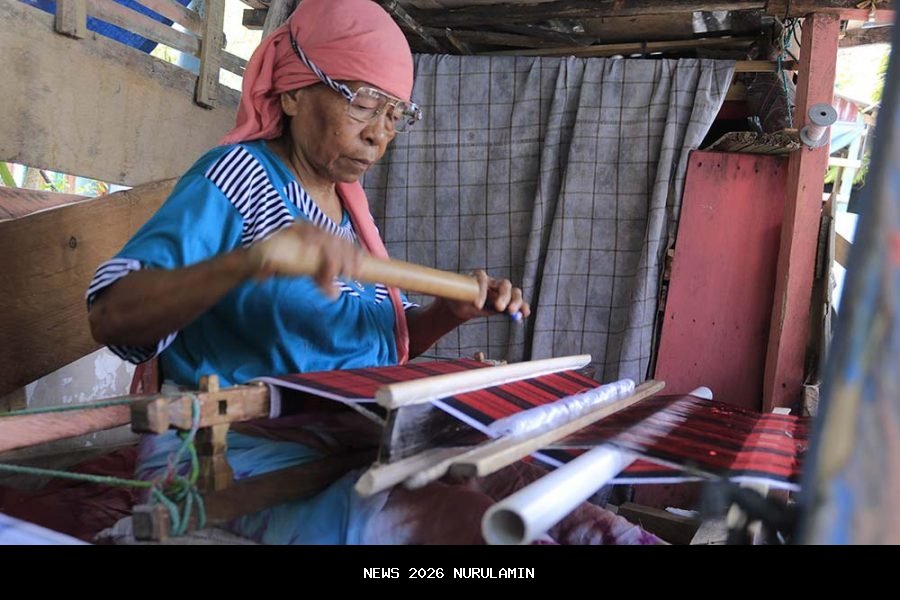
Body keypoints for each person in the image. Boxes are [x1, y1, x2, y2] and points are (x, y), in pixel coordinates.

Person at [86, 0, 662, 545]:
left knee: (544, 496)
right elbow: (113, 314)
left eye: (394, 113)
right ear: (291, 91)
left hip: (344, 444)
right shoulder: (239, 176)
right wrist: (249, 261)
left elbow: (361, 360)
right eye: (361, 102)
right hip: (232, 454)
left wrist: (443, 315)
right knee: (469, 525)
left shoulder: (346, 209)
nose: (379, 132)